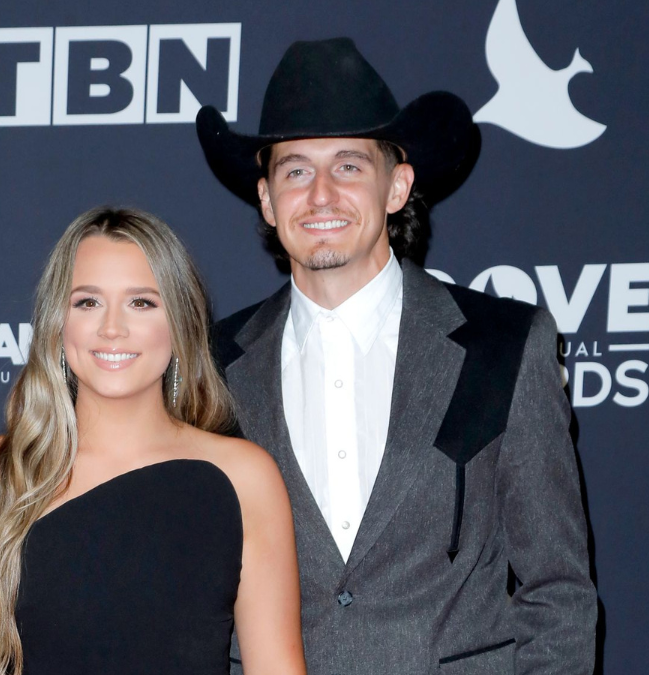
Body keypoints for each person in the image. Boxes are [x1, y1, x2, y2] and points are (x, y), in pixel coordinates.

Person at [198, 38, 597, 673]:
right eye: (296, 170)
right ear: (268, 200)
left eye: (349, 166)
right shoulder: (210, 366)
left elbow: (558, 592)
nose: (321, 195)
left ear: (397, 186)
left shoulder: (503, 346)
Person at [0, 207, 306, 675]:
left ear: (179, 321)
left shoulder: (243, 477)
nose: (111, 328)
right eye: (88, 302)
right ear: (57, 323)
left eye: (141, 303)